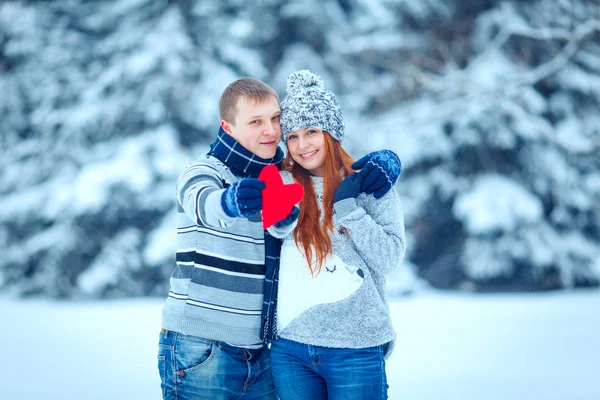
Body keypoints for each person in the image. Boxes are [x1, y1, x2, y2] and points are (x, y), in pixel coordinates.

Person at [158, 77, 300, 400]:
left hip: (260, 351)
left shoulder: (278, 178)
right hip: (201, 347)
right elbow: (203, 203)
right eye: (256, 122)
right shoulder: (204, 170)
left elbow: (289, 223)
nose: (271, 131)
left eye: (275, 119)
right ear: (228, 127)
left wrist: (287, 214)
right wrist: (230, 201)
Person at [269, 70, 406, 400]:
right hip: (290, 349)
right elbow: (272, 227)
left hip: (355, 349)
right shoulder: (278, 182)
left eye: (312, 132)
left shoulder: (370, 183)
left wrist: (350, 210)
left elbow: (389, 259)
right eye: (293, 136)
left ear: (331, 133)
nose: (303, 145)